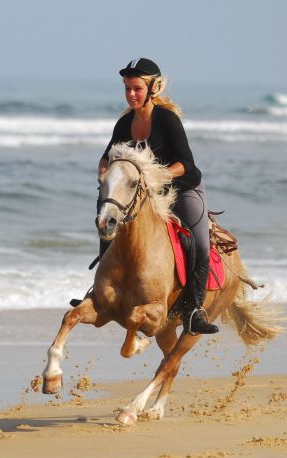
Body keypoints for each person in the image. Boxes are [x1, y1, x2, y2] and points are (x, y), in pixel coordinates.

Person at [97, 57, 217, 335]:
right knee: (107, 216)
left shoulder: (166, 119)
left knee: (199, 243)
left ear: (153, 89)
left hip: (183, 188)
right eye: (127, 88)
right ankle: (100, 289)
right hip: (146, 194)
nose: (130, 94)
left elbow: (185, 163)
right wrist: (105, 178)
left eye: (136, 88)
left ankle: (194, 310)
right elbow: (107, 158)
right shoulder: (125, 123)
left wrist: (156, 176)